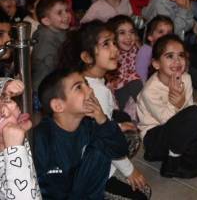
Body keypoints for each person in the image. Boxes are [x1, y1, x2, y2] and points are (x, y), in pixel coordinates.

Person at [63, 22, 149, 196]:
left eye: (114, 43)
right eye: (106, 44)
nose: (115, 49)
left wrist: (117, 127)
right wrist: (130, 171)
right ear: (87, 57)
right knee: (143, 193)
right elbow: (103, 139)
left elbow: (93, 128)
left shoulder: (83, 80)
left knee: (129, 132)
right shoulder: (95, 92)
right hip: (87, 168)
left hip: (82, 152)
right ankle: (100, 186)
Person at [34, 69, 137, 200]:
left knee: (108, 142)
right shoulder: (42, 139)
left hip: (84, 189)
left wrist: (102, 120)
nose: (90, 90)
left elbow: (120, 151)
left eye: (86, 84)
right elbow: (46, 191)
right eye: (78, 87)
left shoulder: (88, 124)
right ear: (58, 106)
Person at [136, 34, 197, 178]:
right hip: (155, 138)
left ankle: (177, 154)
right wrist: (176, 104)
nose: (177, 61)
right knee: (195, 111)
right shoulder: (150, 90)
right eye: (170, 56)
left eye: (181, 55)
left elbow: (188, 117)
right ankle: (171, 164)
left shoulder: (186, 79)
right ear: (156, 64)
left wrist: (194, 134)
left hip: (179, 134)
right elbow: (166, 120)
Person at [32, 0, 71, 93]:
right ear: (46, 20)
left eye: (67, 10)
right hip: (43, 89)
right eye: (59, 13)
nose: (66, 15)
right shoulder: (45, 41)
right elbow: (46, 74)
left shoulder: (59, 30)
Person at [107, 15, 144, 111]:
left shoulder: (136, 49)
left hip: (137, 87)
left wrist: (141, 49)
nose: (128, 37)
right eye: (122, 33)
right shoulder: (111, 53)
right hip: (118, 89)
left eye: (132, 32)